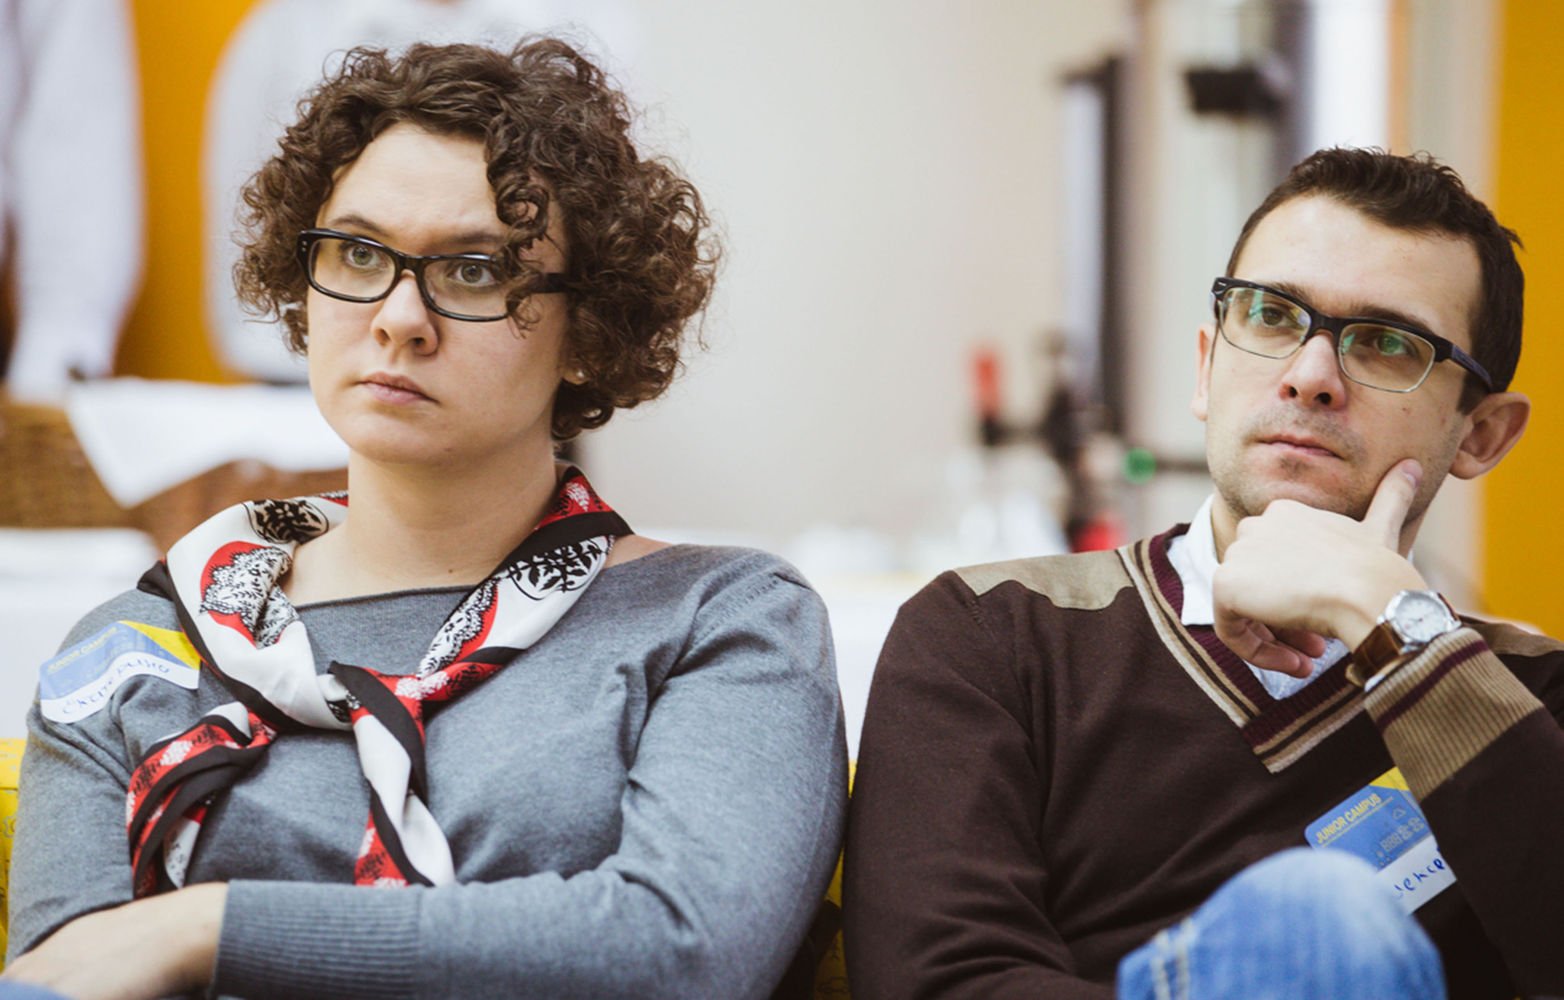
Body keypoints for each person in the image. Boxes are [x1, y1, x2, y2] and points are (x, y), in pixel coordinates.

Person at [2, 38, 846, 999]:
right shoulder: (132, 648)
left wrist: (208, 927)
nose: (400, 317)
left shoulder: (719, 617)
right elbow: (63, 982)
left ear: (588, 329)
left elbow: (682, 954)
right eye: (359, 254)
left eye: (477, 270)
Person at [843, 147, 1562, 999]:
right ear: (1206, 366)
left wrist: (1396, 626)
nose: (1309, 377)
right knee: (1318, 926)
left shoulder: (1533, 699)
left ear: (1481, 435)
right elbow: (934, 984)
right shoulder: (991, 633)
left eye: (1385, 344)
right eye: (1271, 315)